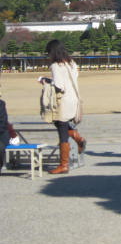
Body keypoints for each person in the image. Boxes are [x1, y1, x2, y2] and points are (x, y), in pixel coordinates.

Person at [40, 39, 87, 174]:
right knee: (63, 125)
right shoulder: (72, 63)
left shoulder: (55, 65)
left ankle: (64, 164)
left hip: (63, 101)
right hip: (74, 99)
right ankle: (78, 139)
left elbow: (59, 85)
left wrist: (46, 81)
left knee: (61, 130)